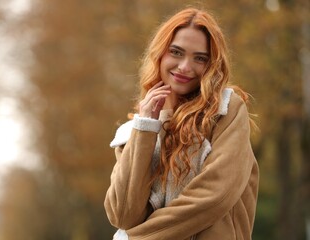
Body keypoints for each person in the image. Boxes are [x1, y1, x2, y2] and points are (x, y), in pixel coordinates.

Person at [104, 7, 259, 240]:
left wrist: (137, 238)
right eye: (176, 52)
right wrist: (145, 127)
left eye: (200, 58)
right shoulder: (133, 132)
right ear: (160, 54)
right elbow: (124, 215)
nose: (185, 67)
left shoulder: (226, 112)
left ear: (212, 64)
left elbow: (215, 195)